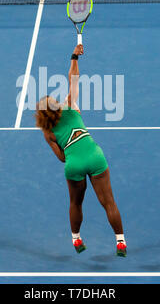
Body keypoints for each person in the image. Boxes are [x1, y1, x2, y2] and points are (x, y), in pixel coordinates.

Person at [35, 44, 126, 256]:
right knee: (109, 202)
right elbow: (73, 79)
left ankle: (76, 240)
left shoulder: (47, 132)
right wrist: (74, 57)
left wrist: (70, 147)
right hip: (95, 157)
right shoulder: (70, 106)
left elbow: (61, 158)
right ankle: (120, 242)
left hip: (74, 163)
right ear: (56, 106)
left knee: (76, 202)